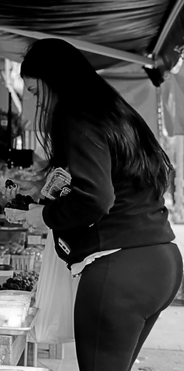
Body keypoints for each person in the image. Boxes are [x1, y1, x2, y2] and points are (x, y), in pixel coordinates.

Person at [12, 38, 183, 371]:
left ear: (55, 81)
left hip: (120, 268)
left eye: (34, 92)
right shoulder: (113, 112)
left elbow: (95, 199)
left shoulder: (77, 117)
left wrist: (45, 215)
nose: (35, 103)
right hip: (161, 260)